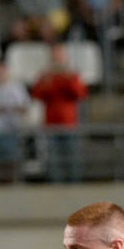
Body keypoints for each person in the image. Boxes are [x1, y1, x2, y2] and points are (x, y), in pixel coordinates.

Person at [30, 44, 88, 183]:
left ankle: (75, 183)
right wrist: (46, 81)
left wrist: (69, 78)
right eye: (54, 56)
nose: (57, 59)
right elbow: (37, 94)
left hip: (69, 122)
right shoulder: (45, 75)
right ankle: (55, 184)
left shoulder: (72, 74)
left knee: (73, 157)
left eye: (59, 55)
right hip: (51, 123)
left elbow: (80, 94)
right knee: (53, 159)